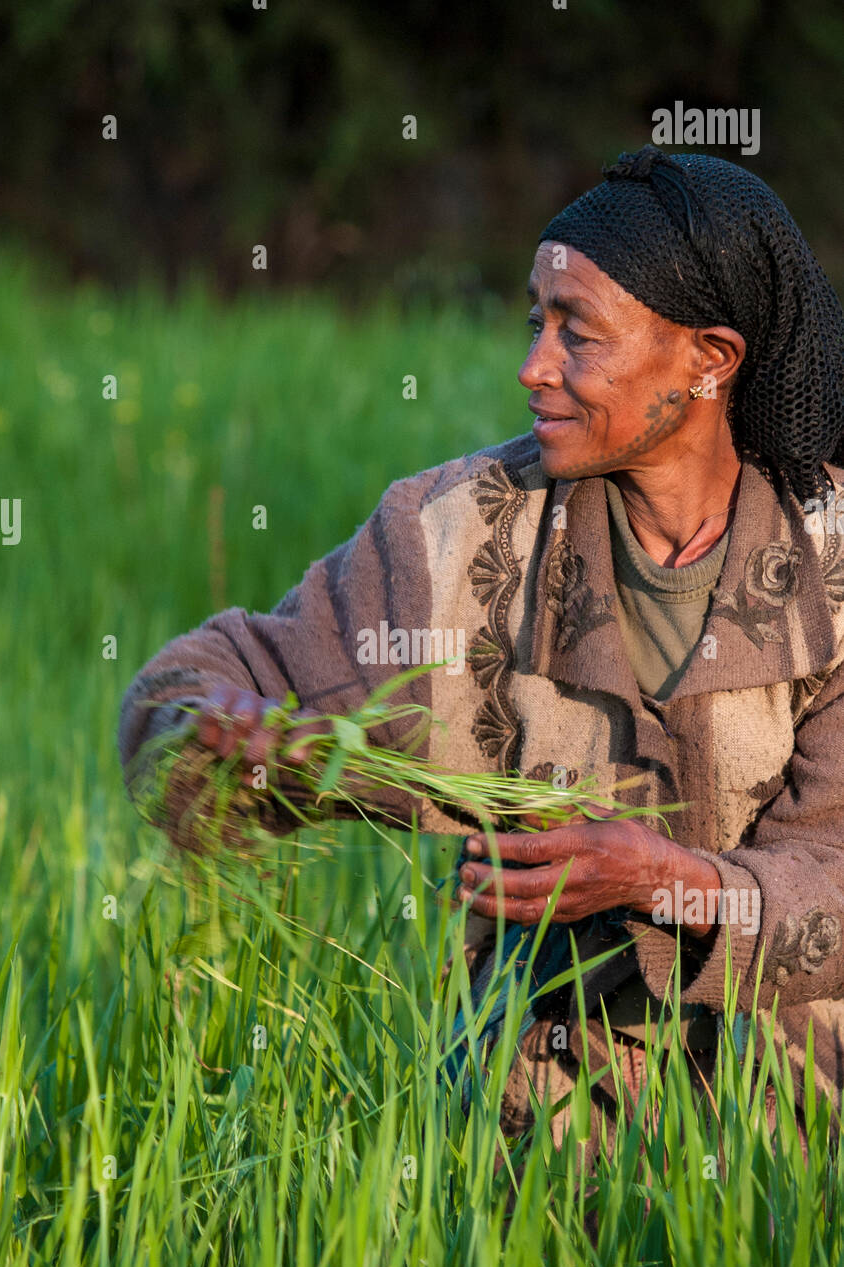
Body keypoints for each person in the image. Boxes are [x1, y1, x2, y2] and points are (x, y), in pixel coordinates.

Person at [119, 146, 844, 1155]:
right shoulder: (455, 539)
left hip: (797, 1155)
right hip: (531, 1157)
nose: (531, 366)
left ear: (709, 359)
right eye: (533, 322)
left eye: (575, 333)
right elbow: (206, 679)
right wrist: (223, 740)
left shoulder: (829, 564)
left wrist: (659, 882)